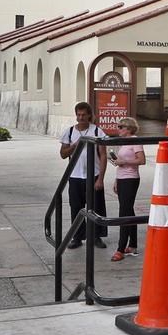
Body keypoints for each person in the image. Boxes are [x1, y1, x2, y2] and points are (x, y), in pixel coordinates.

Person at [59, 102, 108, 250]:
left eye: (83, 115)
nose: (81, 117)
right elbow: (63, 154)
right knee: (76, 207)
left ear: (89, 115)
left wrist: (100, 178)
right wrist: (74, 145)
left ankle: (97, 236)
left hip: (93, 175)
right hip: (75, 176)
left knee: (97, 207)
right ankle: (78, 236)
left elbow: (103, 155)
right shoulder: (69, 132)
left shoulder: (98, 131)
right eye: (78, 115)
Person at [109, 117, 146, 262]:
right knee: (128, 211)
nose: (118, 129)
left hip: (131, 179)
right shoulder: (124, 143)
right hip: (122, 178)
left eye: (120, 127)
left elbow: (141, 160)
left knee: (124, 213)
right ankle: (133, 245)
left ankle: (120, 248)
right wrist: (117, 179)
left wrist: (124, 161)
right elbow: (120, 162)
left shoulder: (135, 141)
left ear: (128, 129)